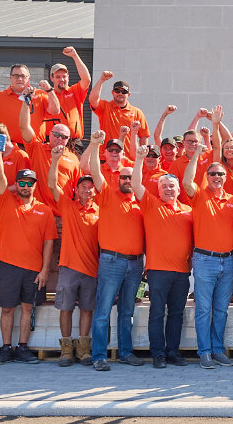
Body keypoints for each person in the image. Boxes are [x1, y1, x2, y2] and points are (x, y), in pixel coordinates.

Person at [86, 129, 146, 371]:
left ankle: (125, 353)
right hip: (112, 261)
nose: (127, 181)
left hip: (135, 263)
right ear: (118, 179)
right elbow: (95, 172)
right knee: (103, 310)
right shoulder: (108, 196)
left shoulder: (142, 203)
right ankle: (99, 356)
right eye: (123, 177)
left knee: (127, 311)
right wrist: (95, 145)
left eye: (130, 178)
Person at [0, 160, 55, 366]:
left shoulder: (45, 210)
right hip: (8, 265)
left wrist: (45, 270)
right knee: (7, 309)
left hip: (33, 269)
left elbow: (48, 242)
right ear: (16, 184)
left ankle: (23, 347)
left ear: (35, 185)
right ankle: (6, 348)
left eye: (29, 183)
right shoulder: (5, 201)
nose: (26, 187)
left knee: (28, 308)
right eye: (22, 183)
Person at [132, 145, 193, 369]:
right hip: (158, 271)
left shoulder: (189, 211)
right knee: (157, 313)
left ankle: (173, 352)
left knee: (177, 314)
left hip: (182, 272)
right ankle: (157, 353)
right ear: (158, 190)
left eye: (171, 186)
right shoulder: (151, 204)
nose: (168, 189)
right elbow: (136, 185)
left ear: (178, 189)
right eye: (164, 186)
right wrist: (139, 159)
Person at [182, 137, 233, 369]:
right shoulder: (199, 195)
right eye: (212, 174)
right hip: (205, 260)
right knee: (204, 309)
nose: (216, 177)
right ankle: (204, 352)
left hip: (228, 261)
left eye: (220, 174)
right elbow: (186, 181)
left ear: (225, 177)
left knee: (221, 310)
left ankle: (217, 350)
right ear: (207, 177)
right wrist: (196, 155)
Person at [48, 143, 100, 368]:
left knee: (87, 309)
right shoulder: (67, 207)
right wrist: (54, 160)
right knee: (66, 308)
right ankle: (66, 349)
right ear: (76, 190)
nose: (87, 190)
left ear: (95, 191)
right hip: (69, 267)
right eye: (83, 187)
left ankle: (84, 349)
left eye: (90, 187)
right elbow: (52, 184)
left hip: (91, 269)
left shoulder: (100, 211)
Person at [0, 64, 47, 146]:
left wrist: (49, 90)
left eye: (23, 76)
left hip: (37, 146)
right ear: (10, 77)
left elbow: (55, 111)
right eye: (16, 76)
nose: (20, 79)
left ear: (29, 77)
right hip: (11, 148)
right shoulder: (0, 96)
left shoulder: (41, 95)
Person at [89, 71, 149, 154]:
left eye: (124, 92)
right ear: (112, 93)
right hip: (106, 157)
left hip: (128, 158)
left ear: (128, 94)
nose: (120, 93)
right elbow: (92, 100)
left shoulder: (137, 112)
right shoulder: (105, 106)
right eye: (117, 91)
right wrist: (101, 80)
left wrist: (143, 156)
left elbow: (144, 136)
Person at [39, 47, 92, 139]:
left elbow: (86, 79)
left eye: (64, 76)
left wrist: (75, 56)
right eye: (58, 77)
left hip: (74, 142)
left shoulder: (75, 91)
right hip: (52, 142)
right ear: (52, 78)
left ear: (68, 77)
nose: (62, 79)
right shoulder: (45, 95)